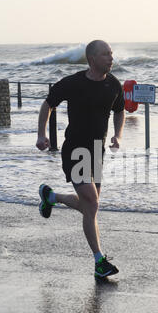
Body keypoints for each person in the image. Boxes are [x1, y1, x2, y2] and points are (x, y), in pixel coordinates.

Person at [36, 40, 125, 278]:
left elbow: (120, 110)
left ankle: (51, 196)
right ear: (92, 58)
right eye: (106, 54)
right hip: (75, 149)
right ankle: (99, 261)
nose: (111, 58)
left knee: (89, 207)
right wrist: (41, 134)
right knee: (92, 204)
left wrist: (117, 135)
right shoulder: (73, 83)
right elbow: (48, 104)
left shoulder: (113, 84)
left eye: (111, 54)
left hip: (97, 150)